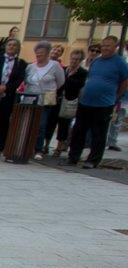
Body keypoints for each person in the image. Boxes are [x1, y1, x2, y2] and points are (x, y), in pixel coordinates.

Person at [68, 36, 128, 169]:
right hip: (86, 101)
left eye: (109, 45)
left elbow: (125, 81)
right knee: (79, 131)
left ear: (115, 47)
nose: (105, 48)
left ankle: (93, 160)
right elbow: (91, 78)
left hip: (104, 103)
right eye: (104, 45)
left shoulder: (120, 63)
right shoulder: (96, 61)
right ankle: (73, 157)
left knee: (98, 133)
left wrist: (116, 96)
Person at [25, 42, 65, 159]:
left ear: (47, 54)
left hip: (45, 100)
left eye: (41, 54)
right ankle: (27, 147)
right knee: (29, 124)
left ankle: (38, 149)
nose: (38, 56)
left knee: (41, 125)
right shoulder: (30, 67)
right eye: (37, 54)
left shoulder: (54, 66)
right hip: (30, 99)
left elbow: (60, 81)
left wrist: (49, 90)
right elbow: (27, 81)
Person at [53, 48, 87, 157]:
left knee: (64, 123)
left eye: (77, 59)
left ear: (81, 60)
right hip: (58, 99)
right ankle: (47, 144)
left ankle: (59, 146)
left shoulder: (83, 73)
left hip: (70, 101)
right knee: (52, 122)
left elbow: (78, 85)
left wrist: (67, 80)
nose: (74, 61)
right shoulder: (64, 69)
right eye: (72, 59)